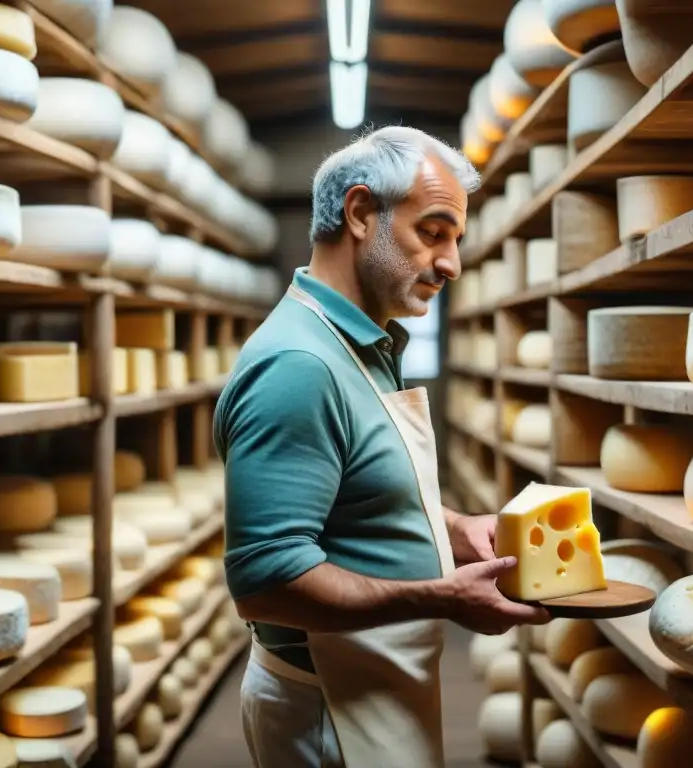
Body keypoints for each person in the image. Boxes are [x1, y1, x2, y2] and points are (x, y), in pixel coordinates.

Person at [213, 125, 551, 768]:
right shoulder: (298, 364)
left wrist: (453, 530)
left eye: (456, 240)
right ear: (362, 213)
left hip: (372, 677)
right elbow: (265, 582)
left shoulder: (363, 345)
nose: (451, 263)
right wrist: (440, 596)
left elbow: (363, 490)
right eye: (434, 232)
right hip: (327, 704)